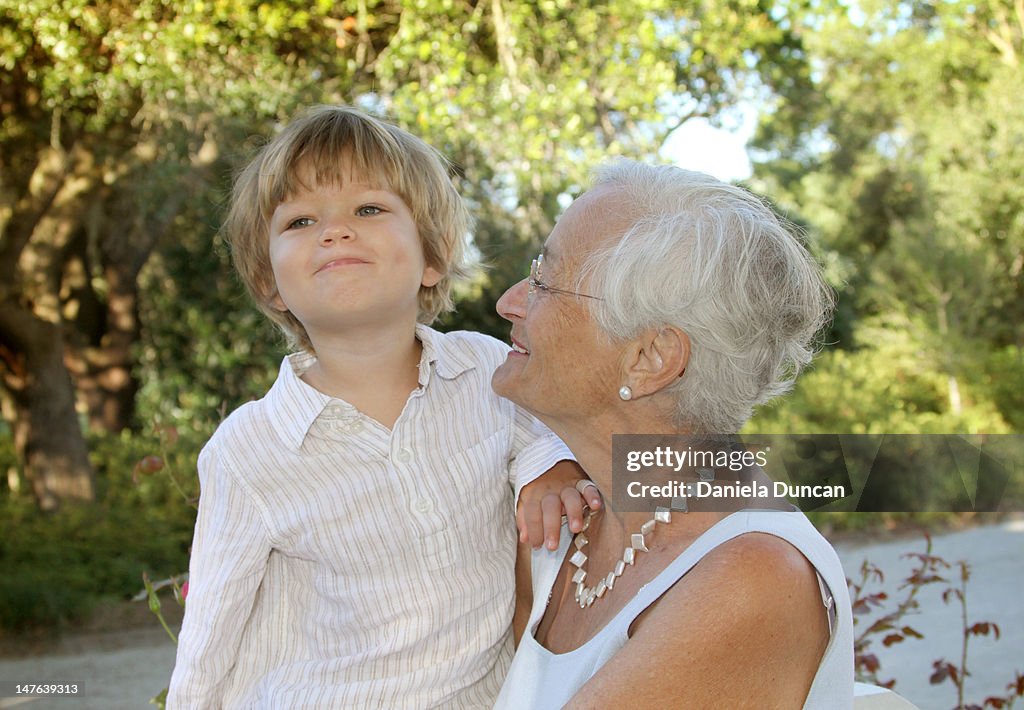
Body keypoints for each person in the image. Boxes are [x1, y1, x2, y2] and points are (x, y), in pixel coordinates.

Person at [166, 105, 598, 708]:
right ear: (268, 279)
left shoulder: (483, 370)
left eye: (369, 209)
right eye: (300, 220)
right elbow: (210, 638)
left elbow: (553, 441)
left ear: (433, 257)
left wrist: (548, 470)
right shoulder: (250, 448)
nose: (335, 230)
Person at [491, 160, 855, 709]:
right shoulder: (567, 514)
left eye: (545, 280)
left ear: (650, 359)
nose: (509, 302)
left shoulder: (749, 575)